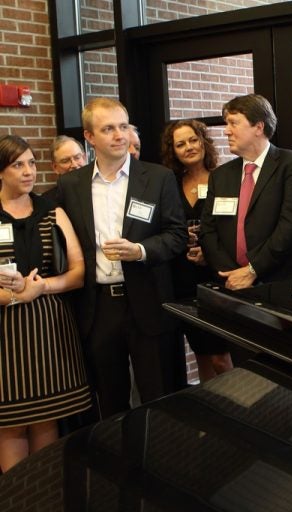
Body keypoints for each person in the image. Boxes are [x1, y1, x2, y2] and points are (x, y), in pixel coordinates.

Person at [57, 98, 187, 419]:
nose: (120, 135)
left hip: (147, 300)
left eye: (124, 126)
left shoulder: (158, 178)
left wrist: (141, 251)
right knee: (109, 400)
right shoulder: (71, 185)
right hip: (98, 308)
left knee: (159, 397)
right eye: (109, 128)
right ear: (89, 137)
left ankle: (161, 462)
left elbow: (177, 235)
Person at [0, 135, 91, 472]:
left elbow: (79, 272)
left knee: (45, 417)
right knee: (10, 423)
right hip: (5, 332)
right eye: (17, 165)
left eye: (32, 163)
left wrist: (40, 289)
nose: (28, 172)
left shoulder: (52, 211)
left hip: (48, 326)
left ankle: (43, 495)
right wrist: (15, 295)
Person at [200, 94, 292, 291]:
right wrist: (232, 274)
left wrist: (252, 270)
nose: (226, 131)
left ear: (259, 127)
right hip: (231, 283)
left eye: (233, 123)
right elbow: (208, 231)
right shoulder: (220, 176)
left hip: (284, 283)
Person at [161, 119, 233, 381]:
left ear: (203, 141)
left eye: (193, 140)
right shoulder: (168, 183)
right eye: (180, 144)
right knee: (200, 353)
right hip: (181, 276)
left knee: (220, 357)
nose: (189, 147)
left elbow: (235, 229)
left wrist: (209, 254)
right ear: (173, 150)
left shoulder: (224, 178)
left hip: (216, 277)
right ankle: (211, 408)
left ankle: (238, 412)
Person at [42, 135, 87, 204]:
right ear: (55, 167)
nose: (74, 165)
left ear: (84, 158)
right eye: (66, 161)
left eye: (77, 157)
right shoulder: (47, 201)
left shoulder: (99, 190)